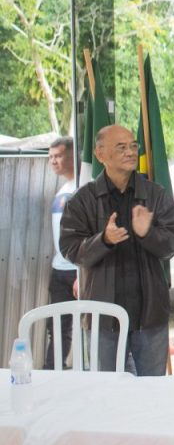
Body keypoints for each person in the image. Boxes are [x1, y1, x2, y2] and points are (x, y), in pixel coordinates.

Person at [59, 125, 174, 375]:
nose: (130, 152)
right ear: (100, 154)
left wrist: (148, 233)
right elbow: (70, 248)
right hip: (103, 316)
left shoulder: (155, 195)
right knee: (107, 395)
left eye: (133, 146)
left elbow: (172, 244)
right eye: (121, 147)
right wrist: (103, 240)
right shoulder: (83, 199)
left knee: (152, 392)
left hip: (149, 316)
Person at [45, 136, 77, 369]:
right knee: (56, 327)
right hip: (59, 269)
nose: (53, 161)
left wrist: (82, 271)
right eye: (50, 157)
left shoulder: (83, 186)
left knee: (90, 324)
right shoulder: (63, 189)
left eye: (58, 156)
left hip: (78, 270)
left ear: (72, 155)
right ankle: (52, 370)